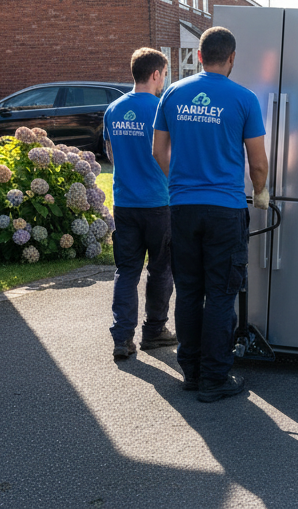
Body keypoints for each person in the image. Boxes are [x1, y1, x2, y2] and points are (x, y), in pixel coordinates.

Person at [153, 27, 269, 403]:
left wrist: (182, 183)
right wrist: (261, 192)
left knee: (188, 291)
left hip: (183, 208)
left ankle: (191, 372)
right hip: (225, 210)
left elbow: (158, 151)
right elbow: (259, 163)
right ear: (232, 58)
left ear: (199, 57)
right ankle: (216, 377)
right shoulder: (244, 99)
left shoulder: (172, 93)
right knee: (221, 293)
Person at [104, 48, 177, 362]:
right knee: (161, 270)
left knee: (127, 271)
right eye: (164, 74)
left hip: (125, 202)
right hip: (159, 202)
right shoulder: (162, 108)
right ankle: (154, 330)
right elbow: (171, 155)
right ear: (156, 74)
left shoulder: (113, 109)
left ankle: (122, 338)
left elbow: (110, 154)